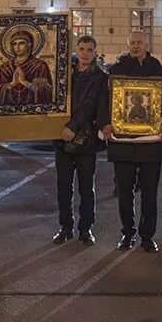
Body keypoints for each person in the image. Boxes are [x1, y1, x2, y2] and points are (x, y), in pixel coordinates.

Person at [102, 31, 162, 253]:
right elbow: (104, 101)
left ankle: (147, 235)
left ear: (147, 45)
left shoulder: (160, 72)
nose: (136, 46)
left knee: (149, 192)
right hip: (123, 142)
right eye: (132, 42)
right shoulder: (116, 72)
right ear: (128, 45)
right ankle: (127, 233)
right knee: (124, 192)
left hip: (151, 143)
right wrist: (105, 123)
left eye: (140, 43)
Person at [54, 35, 109, 246]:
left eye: (89, 49)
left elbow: (92, 105)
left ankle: (86, 229)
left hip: (85, 140)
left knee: (87, 188)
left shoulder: (101, 78)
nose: (85, 53)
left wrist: (73, 127)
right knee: (63, 187)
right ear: (76, 51)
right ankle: (65, 227)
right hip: (61, 140)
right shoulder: (65, 75)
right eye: (82, 49)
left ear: (95, 52)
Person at [0, 28, 53, 105]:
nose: (17, 47)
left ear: (29, 44)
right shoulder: (6, 67)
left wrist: (25, 83)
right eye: (14, 44)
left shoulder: (39, 66)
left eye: (21, 43)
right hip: (8, 110)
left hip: (33, 110)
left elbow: (46, 92)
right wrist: (11, 84)